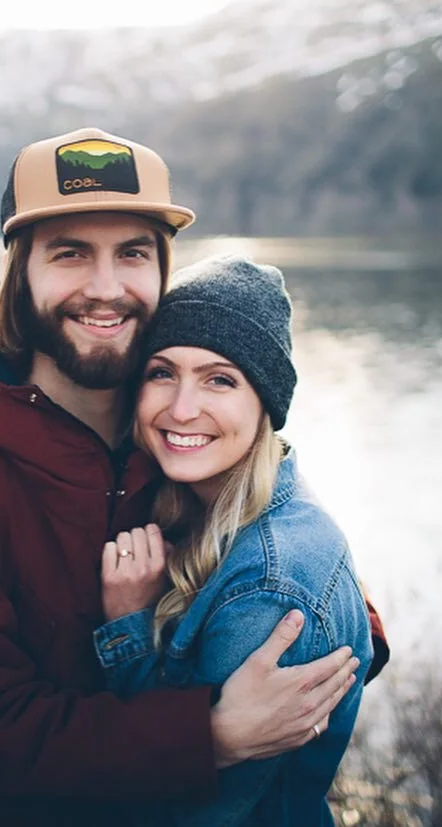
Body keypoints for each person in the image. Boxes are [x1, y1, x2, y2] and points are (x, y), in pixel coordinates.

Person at [0, 127, 389, 826]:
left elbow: (297, 561)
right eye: (70, 254)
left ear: (161, 268)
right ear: (19, 270)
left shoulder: (179, 431)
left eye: (133, 254)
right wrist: (208, 736)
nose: (106, 288)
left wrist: (330, 636)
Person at [93, 255, 376, 824]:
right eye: (162, 372)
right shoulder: (206, 509)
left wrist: (128, 626)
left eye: (220, 380)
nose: (181, 408)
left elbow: (191, 809)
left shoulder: (269, 588)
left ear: (265, 402)